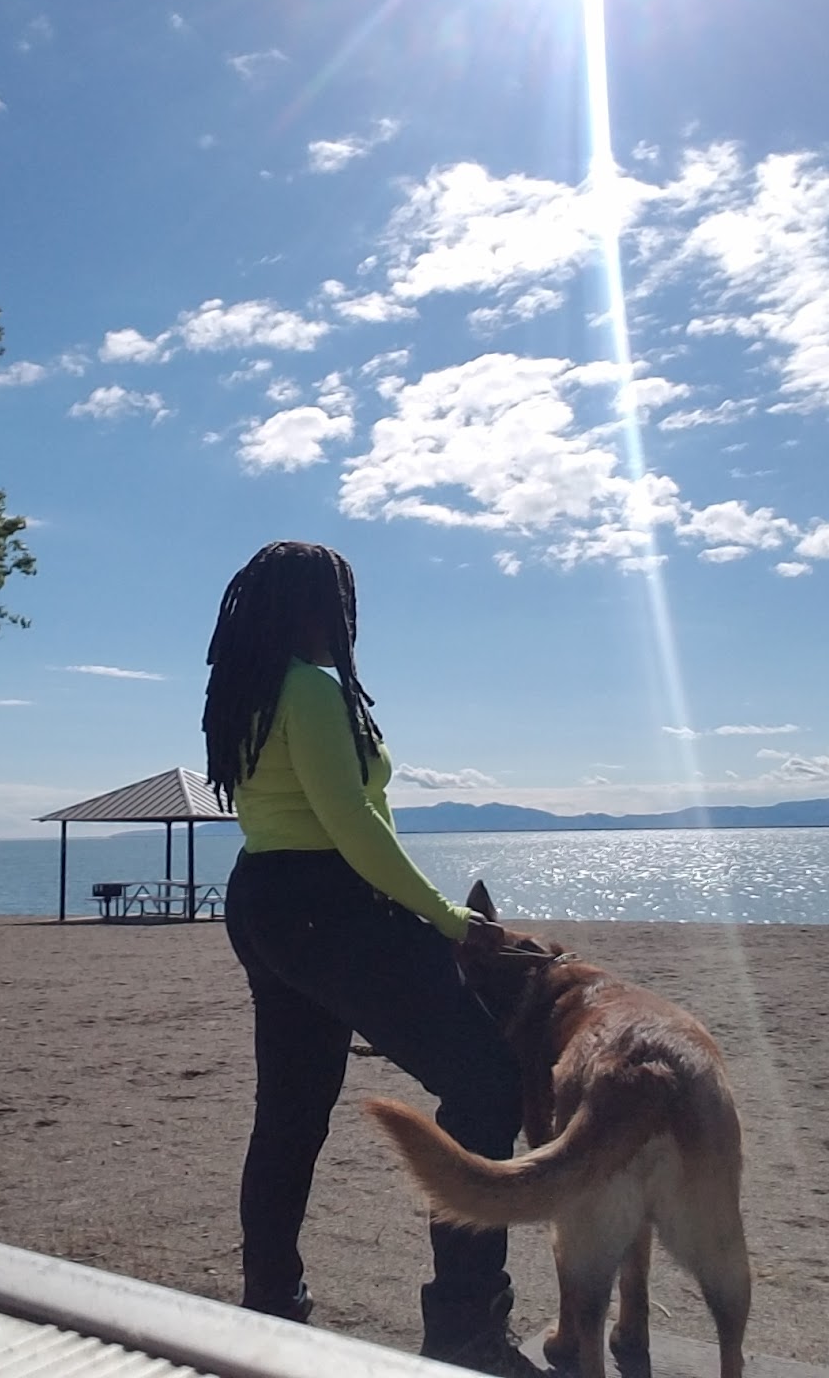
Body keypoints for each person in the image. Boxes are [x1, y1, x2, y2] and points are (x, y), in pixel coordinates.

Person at [203, 540, 533, 1376]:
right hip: (327, 906)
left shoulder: (246, 690)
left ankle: (271, 1304)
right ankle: (465, 1324)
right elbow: (353, 825)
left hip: (264, 903)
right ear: (321, 607)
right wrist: (450, 920)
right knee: (488, 1083)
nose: (349, 621)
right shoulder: (310, 687)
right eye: (341, 603)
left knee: (288, 1117)